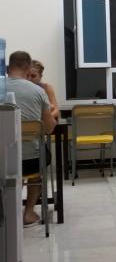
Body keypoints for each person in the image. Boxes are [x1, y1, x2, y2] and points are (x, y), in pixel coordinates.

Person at [6, 51, 57, 226]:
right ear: (28, 68)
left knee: (9, 170)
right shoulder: (38, 91)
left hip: (3, 160)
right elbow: (49, 128)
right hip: (31, 160)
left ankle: (8, 213)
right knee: (39, 163)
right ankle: (28, 213)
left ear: (7, 68)